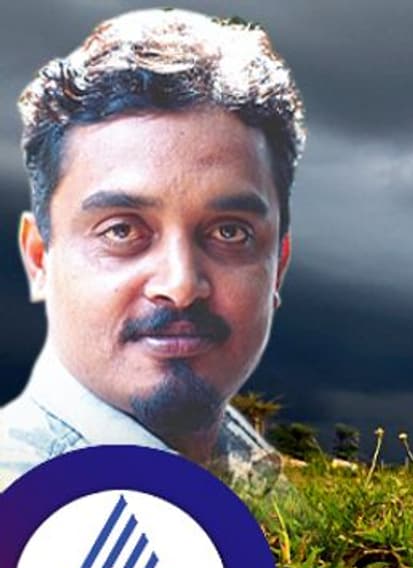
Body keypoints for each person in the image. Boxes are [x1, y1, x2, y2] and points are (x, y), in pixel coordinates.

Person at [0, 9, 305, 491]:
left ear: (278, 268)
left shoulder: (266, 482)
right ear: (40, 257)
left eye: (230, 232)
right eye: (121, 231)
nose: (181, 285)